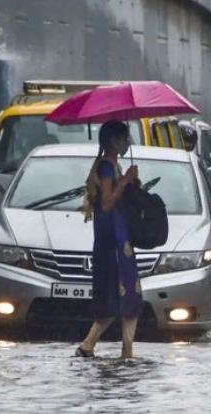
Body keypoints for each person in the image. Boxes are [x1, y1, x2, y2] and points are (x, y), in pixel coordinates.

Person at [76, 120, 141, 359]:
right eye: (123, 138)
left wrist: (130, 180)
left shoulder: (113, 166)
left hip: (118, 239)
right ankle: (91, 345)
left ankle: (124, 351)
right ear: (113, 141)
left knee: (128, 299)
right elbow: (106, 203)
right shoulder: (105, 168)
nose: (126, 143)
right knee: (118, 298)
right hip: (112, 242)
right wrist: (124, 182)